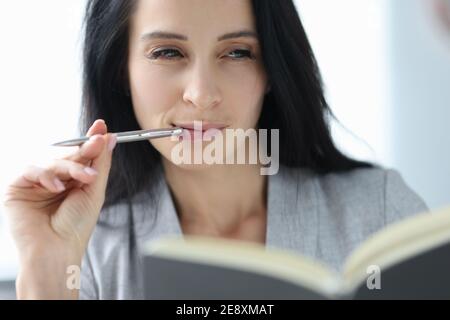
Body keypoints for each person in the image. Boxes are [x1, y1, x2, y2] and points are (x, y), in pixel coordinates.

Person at [3, 0, 428, 300]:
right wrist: (46, 269)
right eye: (167, 52)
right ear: (120, 70)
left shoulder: (382, 213)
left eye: (238, 53)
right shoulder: (91, 254)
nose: (202, 95)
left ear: (271, 72)